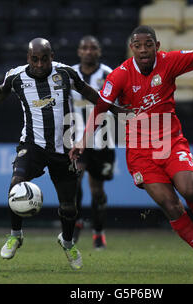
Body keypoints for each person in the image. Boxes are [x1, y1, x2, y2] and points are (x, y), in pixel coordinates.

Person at [69, 17, 193, 274]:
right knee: (171, 205)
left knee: (189, 190)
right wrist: (83, 141)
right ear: (131, 48)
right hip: (140, 153)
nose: (143, 50)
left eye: (148, 45)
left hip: (170, 141)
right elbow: (100, 109)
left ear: (157, 45)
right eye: (137, 45)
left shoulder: (169, 62)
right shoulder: (120, 75)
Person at [0, 38, 127, 270]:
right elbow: (1, 92)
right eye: (35, 59)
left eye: (44, 59)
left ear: (51, 56)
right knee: (16, 184)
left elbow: (89, 93)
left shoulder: (65, 73)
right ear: (28, 58)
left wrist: (115, 110)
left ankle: (67, 241)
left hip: (63, 148)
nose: (40, 64)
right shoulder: (16, 76)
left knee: (69, 207)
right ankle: (15, 235)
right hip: (32, 144)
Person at [71, 36, 114, 249]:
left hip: (103, 140)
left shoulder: (108, 74)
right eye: (84, 47)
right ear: (79, 51)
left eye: (93, 48)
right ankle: (77, 220)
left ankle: (98, 231)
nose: (88, 51)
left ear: (99, 51)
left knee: (97, 190)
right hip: (76, 139)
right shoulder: (69, 74)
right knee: (74, 181)